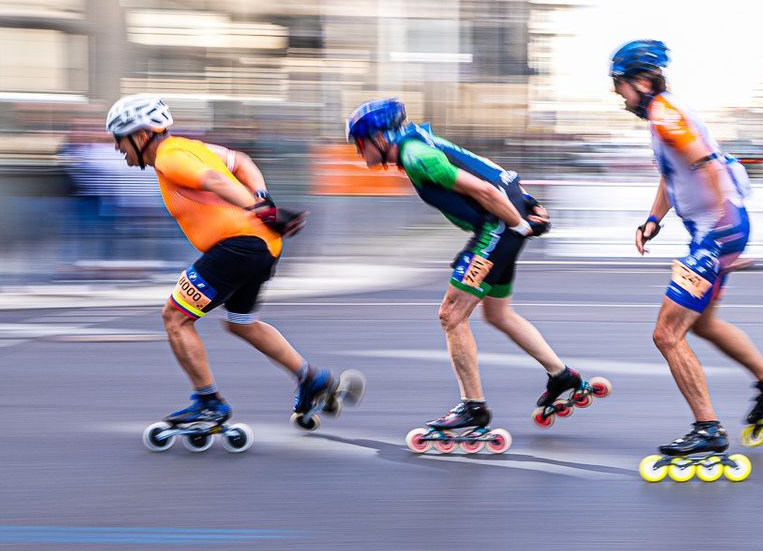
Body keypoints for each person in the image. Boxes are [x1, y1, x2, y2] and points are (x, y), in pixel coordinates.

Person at [610, 39, 763, 482]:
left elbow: (705, 165)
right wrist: (653, 221)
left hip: (714, 233)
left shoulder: (665, 116)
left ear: (642, 82)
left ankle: (707, 429)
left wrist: (721, 239)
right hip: (716, 231)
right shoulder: (662, 114)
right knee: (701, 324)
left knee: (666, 334)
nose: (617, 93)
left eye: (620, 84)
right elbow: (675, 175)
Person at [345, 98, 605, 452]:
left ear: (379, 137)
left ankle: (473, 409)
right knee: (499, 314)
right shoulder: (420, 142)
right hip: (505, 222)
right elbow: (492, 171)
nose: (360, 154)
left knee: (451, 315)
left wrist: (520, 224)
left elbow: (485, 189)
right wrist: (529, 203)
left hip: (497, 228)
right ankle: (563, 377)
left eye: (360, 145)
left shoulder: (415, 156)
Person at [107, 94, 360, 445]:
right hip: (262, 245)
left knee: (175, 317)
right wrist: (263, 200)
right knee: (241, 322)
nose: (118, 148)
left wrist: (262, 210)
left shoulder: (170, 156)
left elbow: (213, 178)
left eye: (118, 139)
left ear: (140, 134)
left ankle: (208, 403)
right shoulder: (188, 146)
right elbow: (240, 161)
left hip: (240, 245)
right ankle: (313, 379)